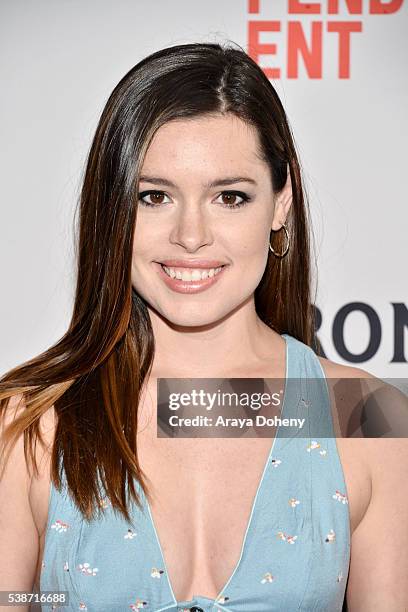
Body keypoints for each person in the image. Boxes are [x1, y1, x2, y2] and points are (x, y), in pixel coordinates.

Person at [0, 41, 407, 612]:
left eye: (230, 196)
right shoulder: (30, 423)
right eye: (155, 196)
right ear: (113, 207)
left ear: (281, 203)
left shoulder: (365, 417)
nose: (191, 235)